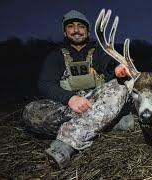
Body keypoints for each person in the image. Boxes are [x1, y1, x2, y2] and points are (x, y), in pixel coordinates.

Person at [22, 10, 134, 169]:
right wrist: (70, 99)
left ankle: (65, 145)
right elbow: (45, 84)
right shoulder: (55, 57)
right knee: (31, 112)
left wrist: (118, 69)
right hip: (68, 107)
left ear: (88, 32)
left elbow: (111, 66)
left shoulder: (100, 52)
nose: (76, 30)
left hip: (97, 102)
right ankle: (110, 123)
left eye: (81, 26)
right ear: (64, 32)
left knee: (120, 87)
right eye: (71, 26)